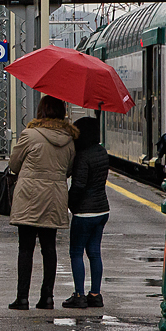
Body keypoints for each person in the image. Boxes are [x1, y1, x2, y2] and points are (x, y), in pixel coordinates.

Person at [7, 95, 77, 310]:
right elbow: (69, 169)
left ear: (41, 112)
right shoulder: (70, 139)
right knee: (49, 248)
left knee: (25, 248)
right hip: (55, 196)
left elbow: (14, 164)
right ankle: (47, 298)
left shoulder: (30, 135)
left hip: (29, 196)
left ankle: (22, 298)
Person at [63, 117, 110, 308]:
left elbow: (79, 186)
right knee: (94, 253)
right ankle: (95, 294)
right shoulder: (102, 152)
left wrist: (69, 203)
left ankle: (79, 295)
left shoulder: (82, 156)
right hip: (102, 210)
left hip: (84, 212)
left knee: (76, 252)